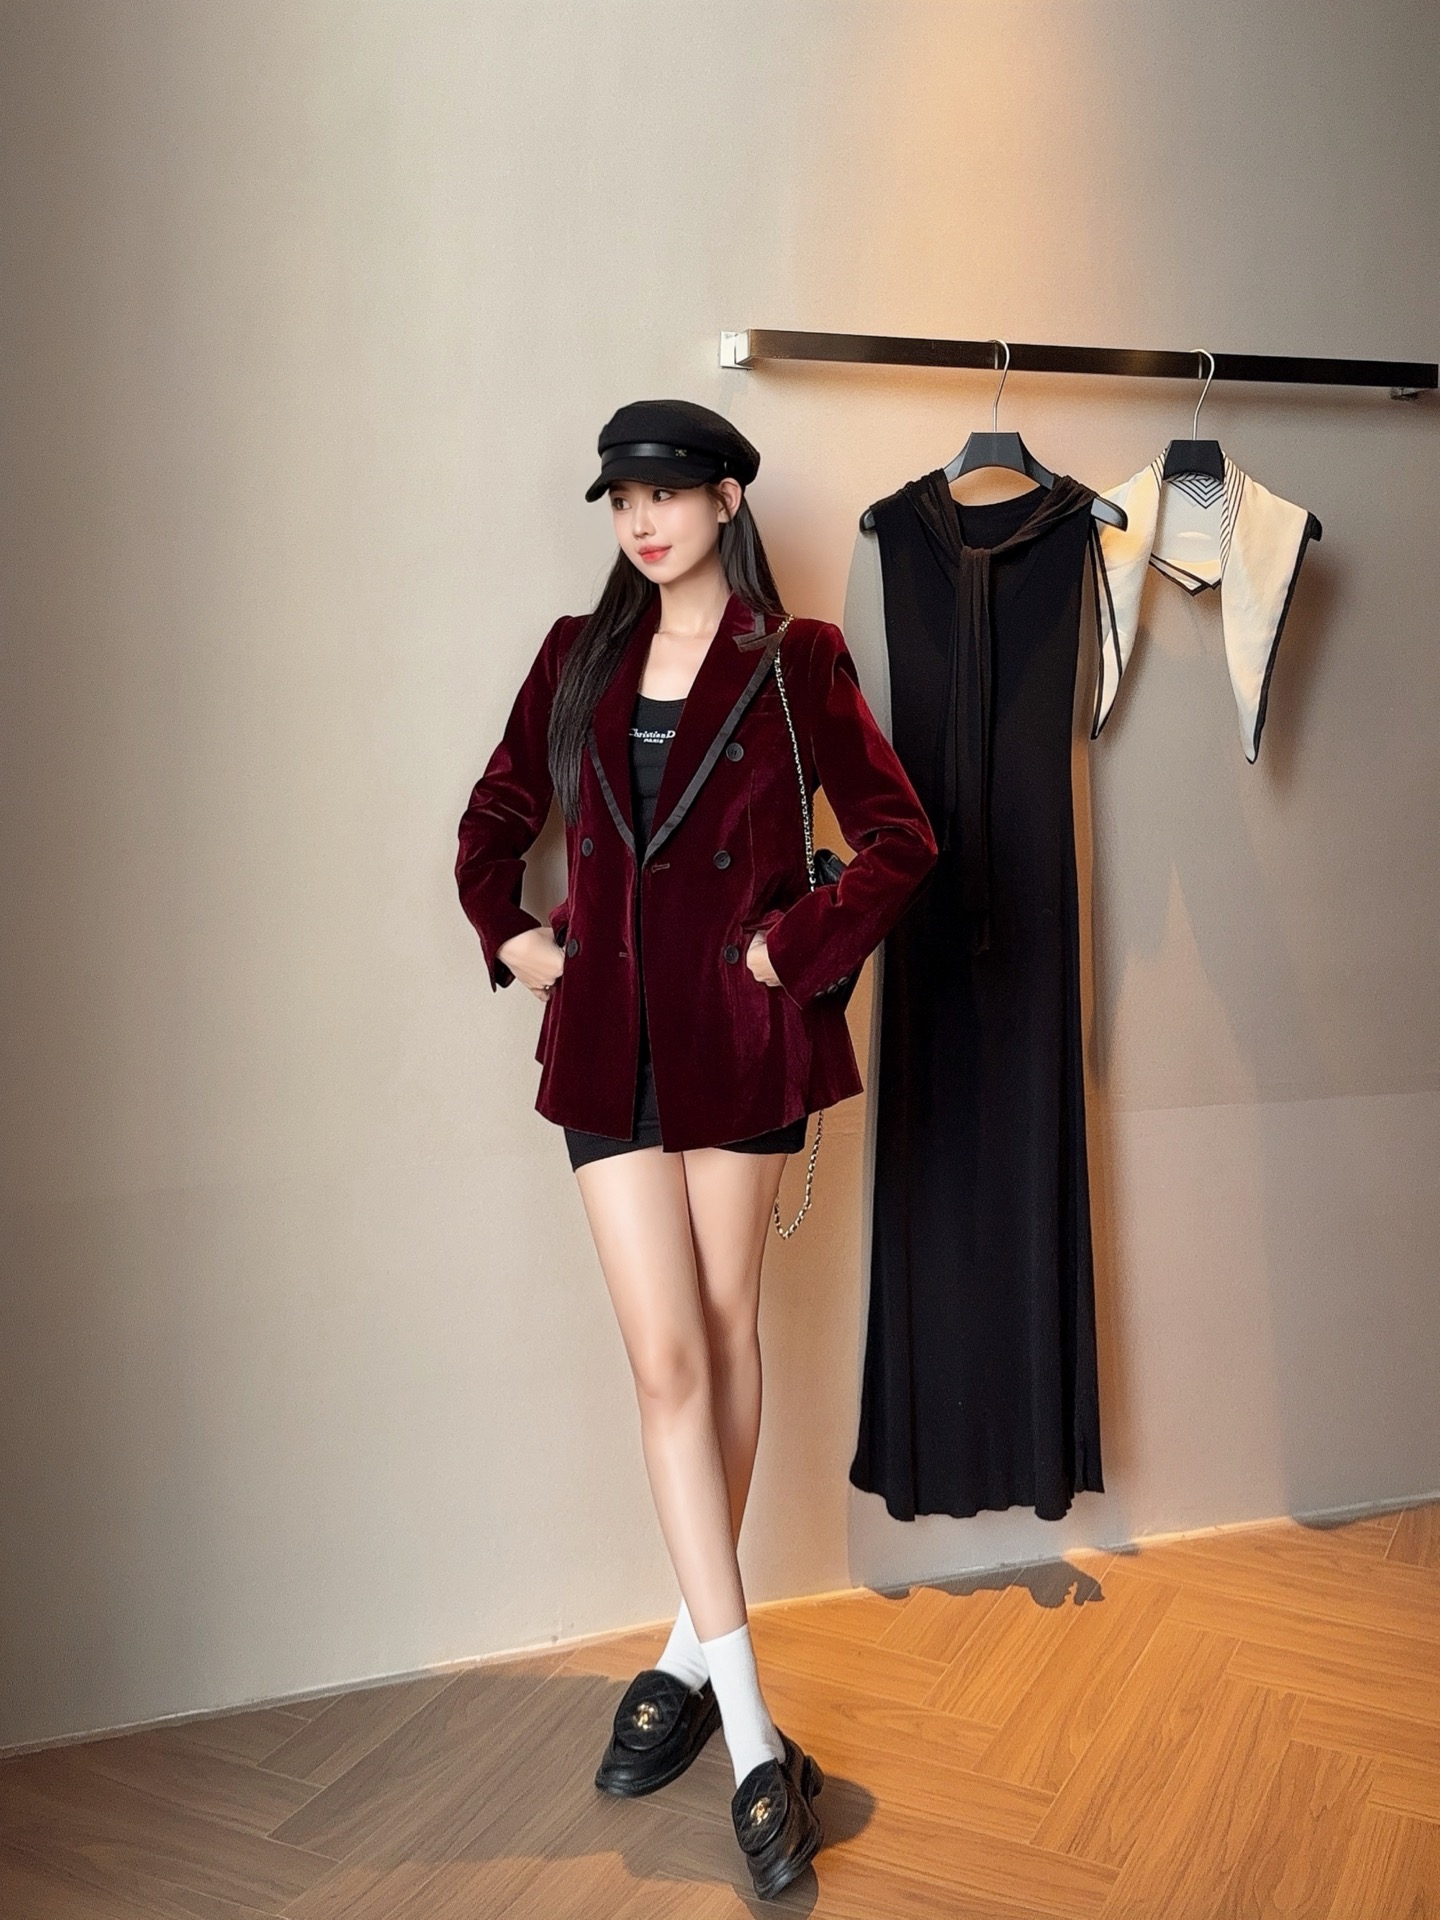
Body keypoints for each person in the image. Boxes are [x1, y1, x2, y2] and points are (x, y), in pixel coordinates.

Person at [454, 399, 937, 1899]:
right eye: (621, 501)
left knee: (725, 1338)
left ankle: (679, 1653)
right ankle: (747, 1735)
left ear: (727, 497)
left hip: (737, 1043)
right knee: (667, 1365)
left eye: (665, 493)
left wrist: (792, 950)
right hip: (609, 1046)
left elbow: (902, 838)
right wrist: (514, 936)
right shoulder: (576, 656)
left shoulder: (797, 664)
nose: (642, 522)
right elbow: (492, 820)